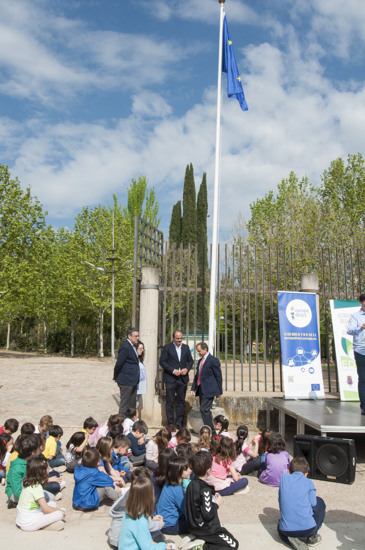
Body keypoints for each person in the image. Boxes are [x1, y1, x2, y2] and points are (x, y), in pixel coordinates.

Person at [185, 451, 239, 550]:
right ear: (208, 471)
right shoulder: (205, 490)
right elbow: (208, 515)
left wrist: (211, 497)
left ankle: (198, 539)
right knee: (233, 544)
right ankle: (202, 546)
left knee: (226, 535)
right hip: (205, 529)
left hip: (193, 525)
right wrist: (216, 504)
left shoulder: (191, 484)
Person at [108, 467, 165, 549]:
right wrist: (163, 545)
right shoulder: (140, 518)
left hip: (120, 542)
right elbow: (147, 545)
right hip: (120, 542)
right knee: (158, 535)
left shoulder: (130, 505)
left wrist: (153, 519)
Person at [278, 457, 326, 549]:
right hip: (308, 530)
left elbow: (280, 500)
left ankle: (289, 538)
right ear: (306, 474)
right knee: (320, 502)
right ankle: (313, 536)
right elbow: (313, 503)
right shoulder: (309, 482)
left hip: (285, 530)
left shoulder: (283, 478)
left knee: (280, 529)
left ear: (289, 471)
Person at [15, 455, 66, 532]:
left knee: (52, 503)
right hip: (29, 523)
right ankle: (45, 525)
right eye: (47, 468)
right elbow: (46, 509)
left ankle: (45, 523)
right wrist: (59, 511)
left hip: (23, 518)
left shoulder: (28, 481)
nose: (49, 469)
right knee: (59, 514)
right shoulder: (37, 487)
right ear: (42, 472)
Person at [160, 329, 193, 431]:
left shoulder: (186, 347)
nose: (179, 340)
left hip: (182, 379)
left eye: (181, 338)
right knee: (169, 401)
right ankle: (170, 423)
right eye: (177, 338)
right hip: (170, 378)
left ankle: (179, 423)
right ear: (173, 338)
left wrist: (186, 369)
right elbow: (162, 362)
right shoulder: (167, 347)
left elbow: (190, 361)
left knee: (181, 402)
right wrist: (173, 370)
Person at [190, 342, 222, 434]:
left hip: (210, 389)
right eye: (197, 351)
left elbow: (218, 376)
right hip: (201, 389)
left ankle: (211, 432)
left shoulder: (213, 360)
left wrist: (219, 391)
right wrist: (193, 388)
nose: (198, 353)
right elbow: (197, 376)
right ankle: (209, 429)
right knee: (204, 410)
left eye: (199, 351)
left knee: (204, 409)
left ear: (205, 349)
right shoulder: (200, 361)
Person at [157, 456, 190, 535]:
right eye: (186, 469)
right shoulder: (176, 489)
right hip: (170, 525)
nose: (190, 470)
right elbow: (186, 511)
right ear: (178, 472)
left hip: (164, 521)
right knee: (199, 523)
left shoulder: (169, 483)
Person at [6, 434, 39, 508]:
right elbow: (17, 491)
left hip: (27, 488)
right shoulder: (16, 468)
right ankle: (14, 502)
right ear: (32, 452)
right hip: (15, 493)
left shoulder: (30, 460)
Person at [114, 327, 140, 416]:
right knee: (125, 405)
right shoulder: (125, 346)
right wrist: (116, 376)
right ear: (129, 336)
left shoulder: (132, 346)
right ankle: (120, 425)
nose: (137, 338)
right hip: (126, 380)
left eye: (138, 336)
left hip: (133, 380)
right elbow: (119, 363)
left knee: (132, 405)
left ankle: (130, 423)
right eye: (135, 336)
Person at [347, 293, 365, 414]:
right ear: (361, 303)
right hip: (361, 350)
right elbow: (349, 330)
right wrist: (360, 328)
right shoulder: (355, 316)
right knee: (363, 378)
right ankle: (364, 405)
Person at [136, 340, 147, 408]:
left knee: (136, 404)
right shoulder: (133, 360)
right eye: (140, 348)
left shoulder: (140, 360)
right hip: (136, 385)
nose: (142, 350)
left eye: (143, 348)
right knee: (134, 404)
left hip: (141, 386)